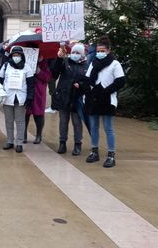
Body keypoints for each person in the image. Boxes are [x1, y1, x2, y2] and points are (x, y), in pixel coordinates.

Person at [82, 36, 125, 168]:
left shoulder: (115, 64)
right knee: (94, 126)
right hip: (93, 98)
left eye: (103, 50)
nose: (100, 53)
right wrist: (87, 87)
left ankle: (111, 155)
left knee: (108, 128)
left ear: (108, 50)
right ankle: (94, 152)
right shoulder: (94, 63)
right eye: (98, 50)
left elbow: (120, 81)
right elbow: (88, 79)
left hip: (107, 98)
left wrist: (105, 90)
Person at [51, 43, 89, 155]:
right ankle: (62, 142)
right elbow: (54, 74)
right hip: (64, 96)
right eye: (73, 52)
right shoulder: (65, 62)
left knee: (77, 122)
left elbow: (88, 82)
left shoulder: (86, 66)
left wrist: (81, 85)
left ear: (82, 54)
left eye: (78, 53)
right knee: (63, 121)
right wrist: (58, 58)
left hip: (77, 99)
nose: (75, 54)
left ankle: (78, 144)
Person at [0, 46, 35, 153]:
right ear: (11, 56)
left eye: (18, 55)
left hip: (21, 98)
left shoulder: (27, 67)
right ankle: (9, 141)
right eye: (14, 55)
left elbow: (31, 85)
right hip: (7, 97)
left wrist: (30, 98)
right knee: (8, 121)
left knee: (20, 122)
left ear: (22, 56)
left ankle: (19, 143)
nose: (16, 57)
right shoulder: (5, 66)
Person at [24, 54, 51, 145]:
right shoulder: (24, 61)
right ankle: (23, 134)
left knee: (38, 114)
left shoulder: (44, 63)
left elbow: (48, 77)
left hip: (39, 91)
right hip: (26, 89)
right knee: (25, 113)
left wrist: (39, 71)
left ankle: (39, 135)